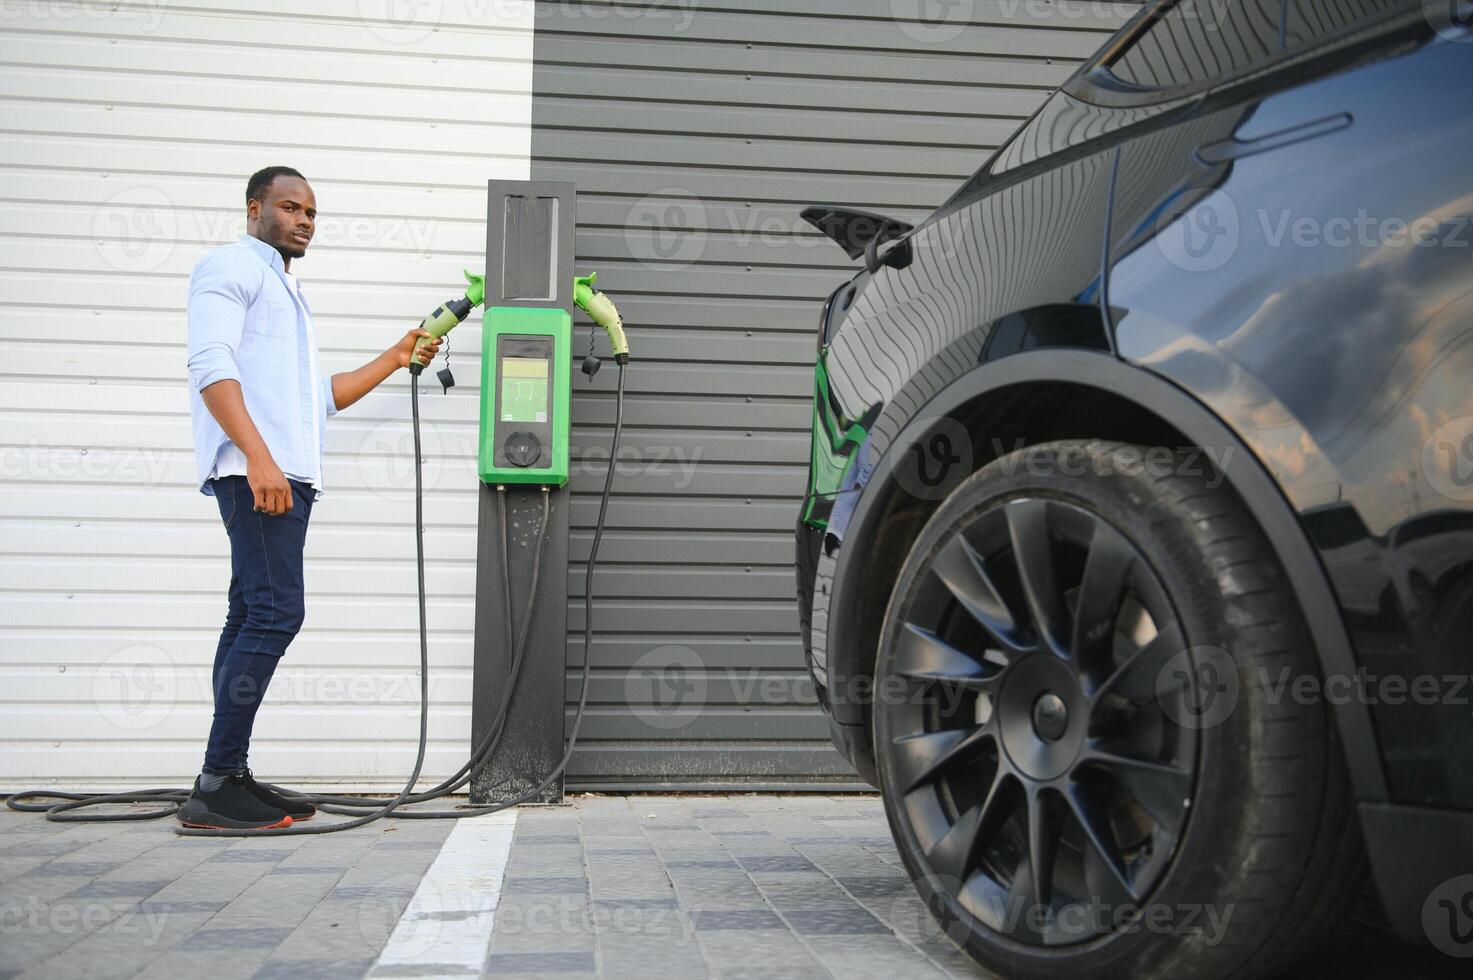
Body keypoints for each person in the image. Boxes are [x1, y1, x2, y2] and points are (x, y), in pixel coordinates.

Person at [180, 166, 441, 829]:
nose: (303, 220)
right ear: (254, 208)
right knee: (273, 615)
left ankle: (227, 773)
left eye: (311, 213)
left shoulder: (283, 289)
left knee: (249, 616)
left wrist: (397, 353)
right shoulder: (229, 268)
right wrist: (259, 459)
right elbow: (212, 367)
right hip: (258, 476)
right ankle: (216, 783)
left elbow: (316, 400)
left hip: (282, 476)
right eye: (289, 207)